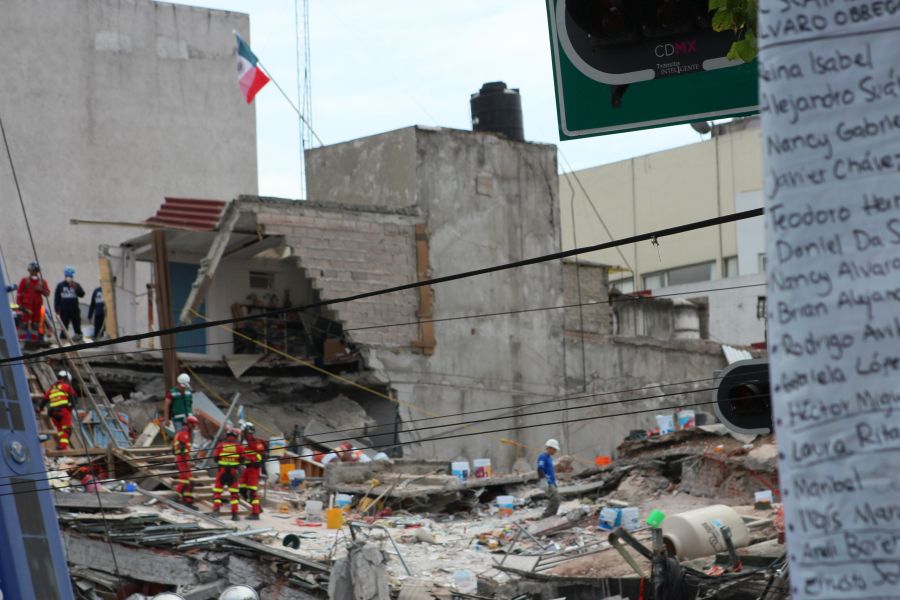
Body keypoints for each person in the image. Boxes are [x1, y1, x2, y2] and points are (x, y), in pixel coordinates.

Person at [212, 428, 243, 521]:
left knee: (217, 492)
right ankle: (235, 515)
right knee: (234, 494)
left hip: (222, 471)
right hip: (233, 473)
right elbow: (242, 460)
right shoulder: (239, 447)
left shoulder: (221, 445)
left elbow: (215, 458)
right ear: (236, 436)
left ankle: (216, 512)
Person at [42, 371, 77, 450]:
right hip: (63, 411)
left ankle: (61, 445)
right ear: (66, 379)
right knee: (67, 430)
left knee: (61, 430)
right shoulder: (66, 387)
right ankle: (63, 447)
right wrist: (71, 406)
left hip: (54, 413)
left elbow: (44, 400)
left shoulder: (52, 388)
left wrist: (39, 409)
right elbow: (74, 399)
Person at [239, 422, 267, 520]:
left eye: (243, 431)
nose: (241, 433)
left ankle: (255, 513)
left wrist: (257, 461)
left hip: (253, 469)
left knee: (252, 492)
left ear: (246, 431)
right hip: (247, 469)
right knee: (242, 490)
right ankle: (257, 507)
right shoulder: (244, 442)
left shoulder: (255, 442)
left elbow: (262, 455)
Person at [16, 262, 49, 343]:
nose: (31, 272)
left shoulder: (42, 282)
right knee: (24, 324)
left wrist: (41, 289)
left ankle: (36, 341)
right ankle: (20, 341)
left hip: (37, 307)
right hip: (26, 308)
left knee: (36, 325)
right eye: (30, 270)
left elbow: (47, 293)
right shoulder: (25, 280)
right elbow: (19, 293)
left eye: (32, 270)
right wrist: (19, 306)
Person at [173, 416, 200, 505]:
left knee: (189, 481)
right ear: (188, 424)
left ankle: (188, 500)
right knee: (186, 481)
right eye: (193, 425)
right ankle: (176, 499)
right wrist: (188, 459)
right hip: (182, 460)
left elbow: (175, 449)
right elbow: (182, 450)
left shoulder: (183, 433)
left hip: (183, 459)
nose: (194, 427)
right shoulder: (183, 434)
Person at [537, 438, 561, 518]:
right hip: (547, 482)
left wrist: (554, 483)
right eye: (554, 449)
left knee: (556, 500)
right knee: (556, 500)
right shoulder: (542, 457)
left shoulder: (550, 458)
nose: (555, 451)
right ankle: (545, 517)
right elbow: (540, 468)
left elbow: (551, 472)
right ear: (549, 448)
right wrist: (543, 481)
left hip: (552, 482)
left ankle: (551, 516)